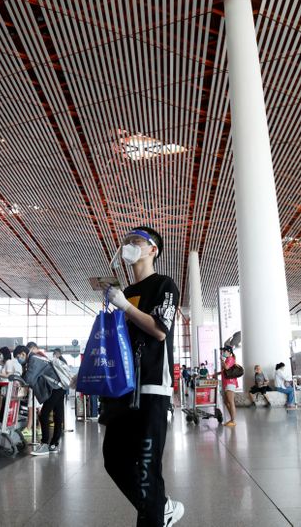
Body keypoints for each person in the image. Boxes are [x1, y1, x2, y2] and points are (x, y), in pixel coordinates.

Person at [101, 226, 184, 527]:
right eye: (126, 242)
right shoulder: (125, 292)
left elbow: (160, 330)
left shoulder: (164, 285)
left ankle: (154, 515)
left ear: (153, 250)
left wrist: (124, 306)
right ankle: (161, 508)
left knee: (147, 468)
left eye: (136, 242)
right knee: (114, 458)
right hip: (123, 387)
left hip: (151, 385)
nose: (129, 246)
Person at [23, 343, 65, 455]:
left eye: (19, 356)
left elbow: (29, 379)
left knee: (44, 414)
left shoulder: (34, 359)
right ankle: (54, 444)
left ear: (24, 353)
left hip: (55, 388)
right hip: (60, 387)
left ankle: (45, 444)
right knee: (58, 416)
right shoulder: (41, 357)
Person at [220, 347, 238, 427]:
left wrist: (222, 360)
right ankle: (232, 419)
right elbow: (225, 371)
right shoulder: (228, 359)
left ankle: (233, 421)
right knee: (226, 401)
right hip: (226, 383)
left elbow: (226, 367)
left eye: (224, 351)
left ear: (229, 351)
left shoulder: (230, 359)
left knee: (231, 402)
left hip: (230, 383)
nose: (223, 352)